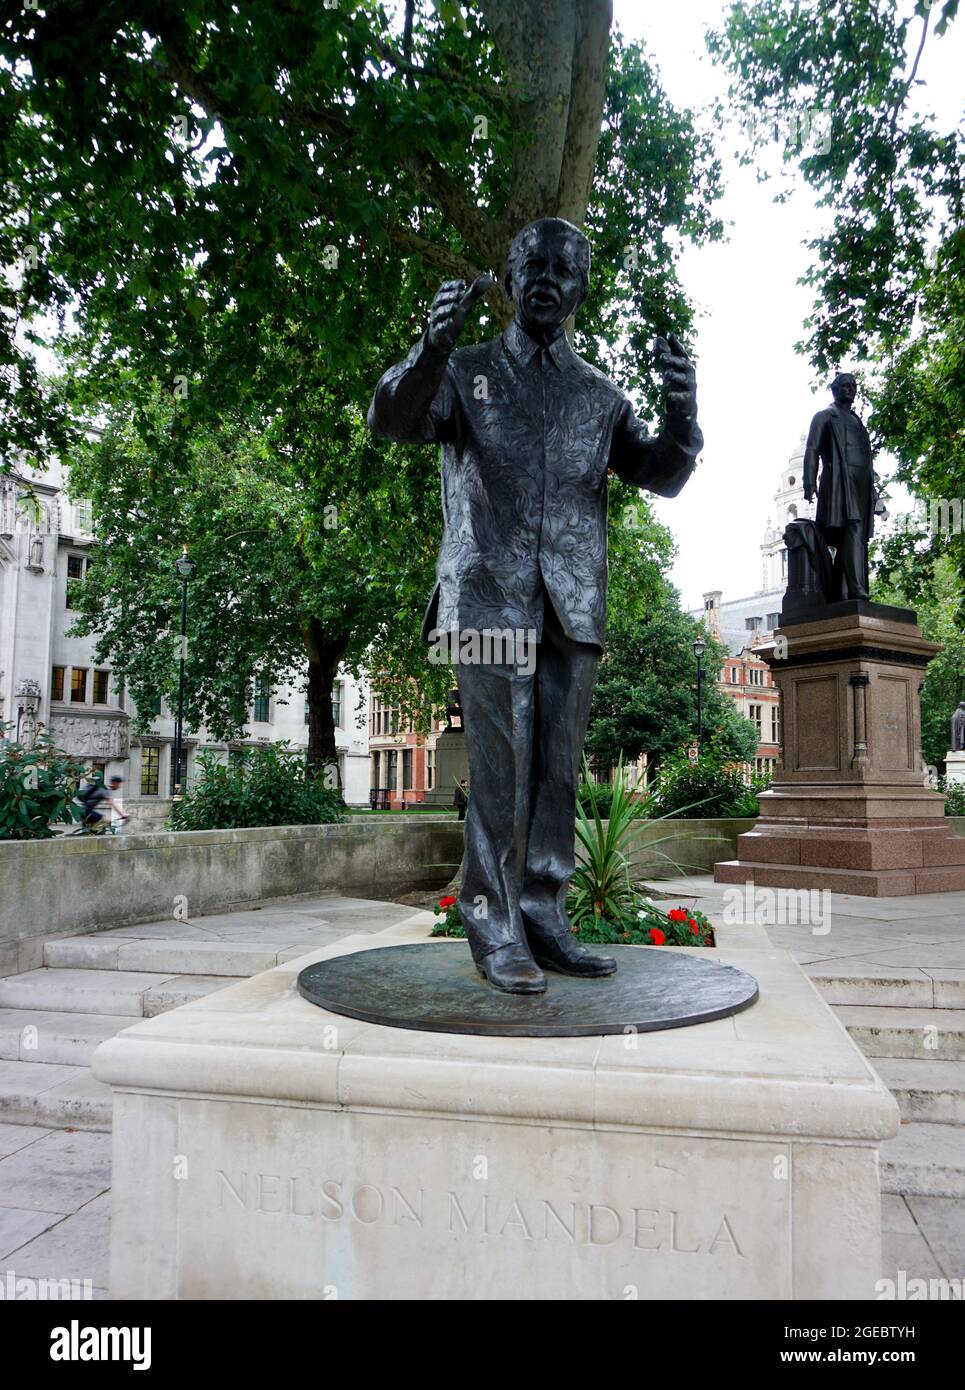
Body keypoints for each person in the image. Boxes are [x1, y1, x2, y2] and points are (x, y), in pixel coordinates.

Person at [369, 217, 701, 993]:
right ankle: (491, 921)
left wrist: (681, 414)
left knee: (555, 766)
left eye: (565, 268)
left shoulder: (600, 396)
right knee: (500, 765)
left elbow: (661, 473)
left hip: (573, 606)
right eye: (533, 265)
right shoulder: (466, 369)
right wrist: (430, 348)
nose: (548, 278)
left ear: (583, 287)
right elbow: (391, 418)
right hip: (485, 599)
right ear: (510, 279)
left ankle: (544, 911)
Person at [803, 373, 876, 602]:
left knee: (855, 535)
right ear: (834, 390)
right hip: (838, 482)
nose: (850, 389)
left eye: (853, 386)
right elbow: (812, 449)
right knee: (852, 529)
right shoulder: (824, 416)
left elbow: (867, 460)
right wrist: (809, 481)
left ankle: (840, 590)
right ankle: (855, 588)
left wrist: (875, 494)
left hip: (861, 484)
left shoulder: (857, 421)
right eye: (845, 385)